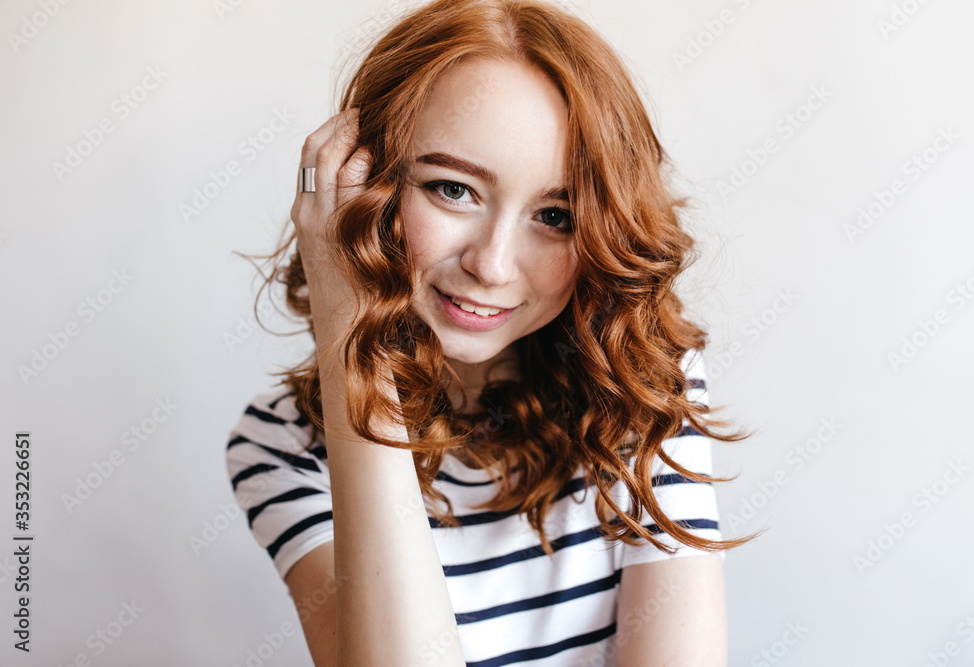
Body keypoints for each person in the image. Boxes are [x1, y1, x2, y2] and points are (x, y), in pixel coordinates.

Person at [226, 0, 759, 664]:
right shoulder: (284, 445)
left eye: (556, 214)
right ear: (363, 184)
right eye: (453, 190)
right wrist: (347, 325)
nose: (492, 265)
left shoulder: (648, 390)